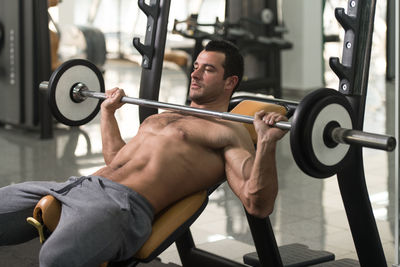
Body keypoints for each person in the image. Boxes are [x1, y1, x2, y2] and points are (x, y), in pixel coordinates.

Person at [0, 40, 288, 266]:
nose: (195, 73)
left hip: (120, 207)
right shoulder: (167, 115)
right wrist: (107, 113)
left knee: (55, 259)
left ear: (230, 82)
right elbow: (116, 160)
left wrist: (266, 143)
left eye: (208, 69)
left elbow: (257, 204)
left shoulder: (230, 131)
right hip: (77, 186)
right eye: (196, 66)